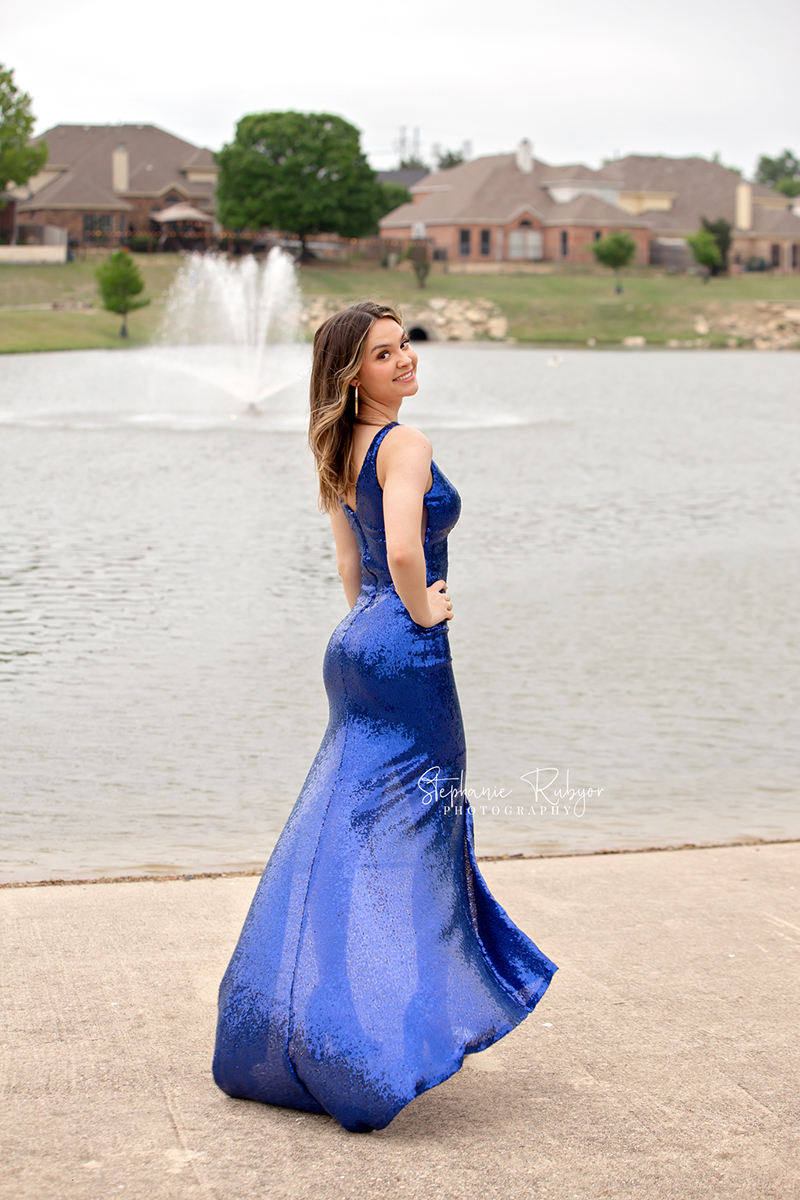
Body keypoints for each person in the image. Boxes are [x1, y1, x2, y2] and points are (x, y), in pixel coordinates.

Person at [212, 301, 557, 1133]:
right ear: (351, 374)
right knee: (416, 832)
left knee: (341, 826)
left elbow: (349, 559)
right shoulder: (405, 444)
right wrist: (423, 615)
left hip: (355, 644)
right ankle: (372, 1042)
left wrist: (373, 620)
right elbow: (403, 551)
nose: (406, 360)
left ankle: (287, 1026)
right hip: (406, 649)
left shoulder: (338, 446)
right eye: (384, 353)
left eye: (405, 346)